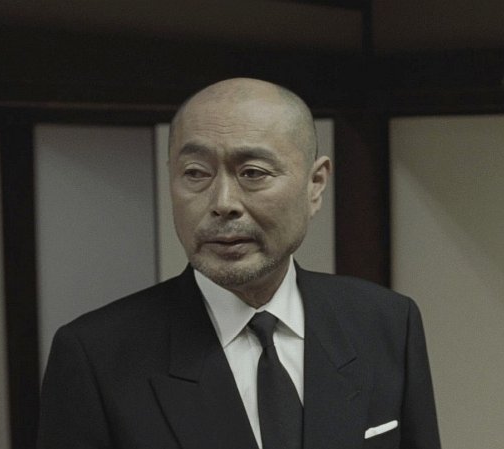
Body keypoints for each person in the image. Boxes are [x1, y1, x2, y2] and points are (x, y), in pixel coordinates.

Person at [37, 78, 441, 449]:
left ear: (315, 184)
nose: (223, 203)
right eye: (196, 173)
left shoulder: (385, 323)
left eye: (252, 173)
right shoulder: (96, 356)